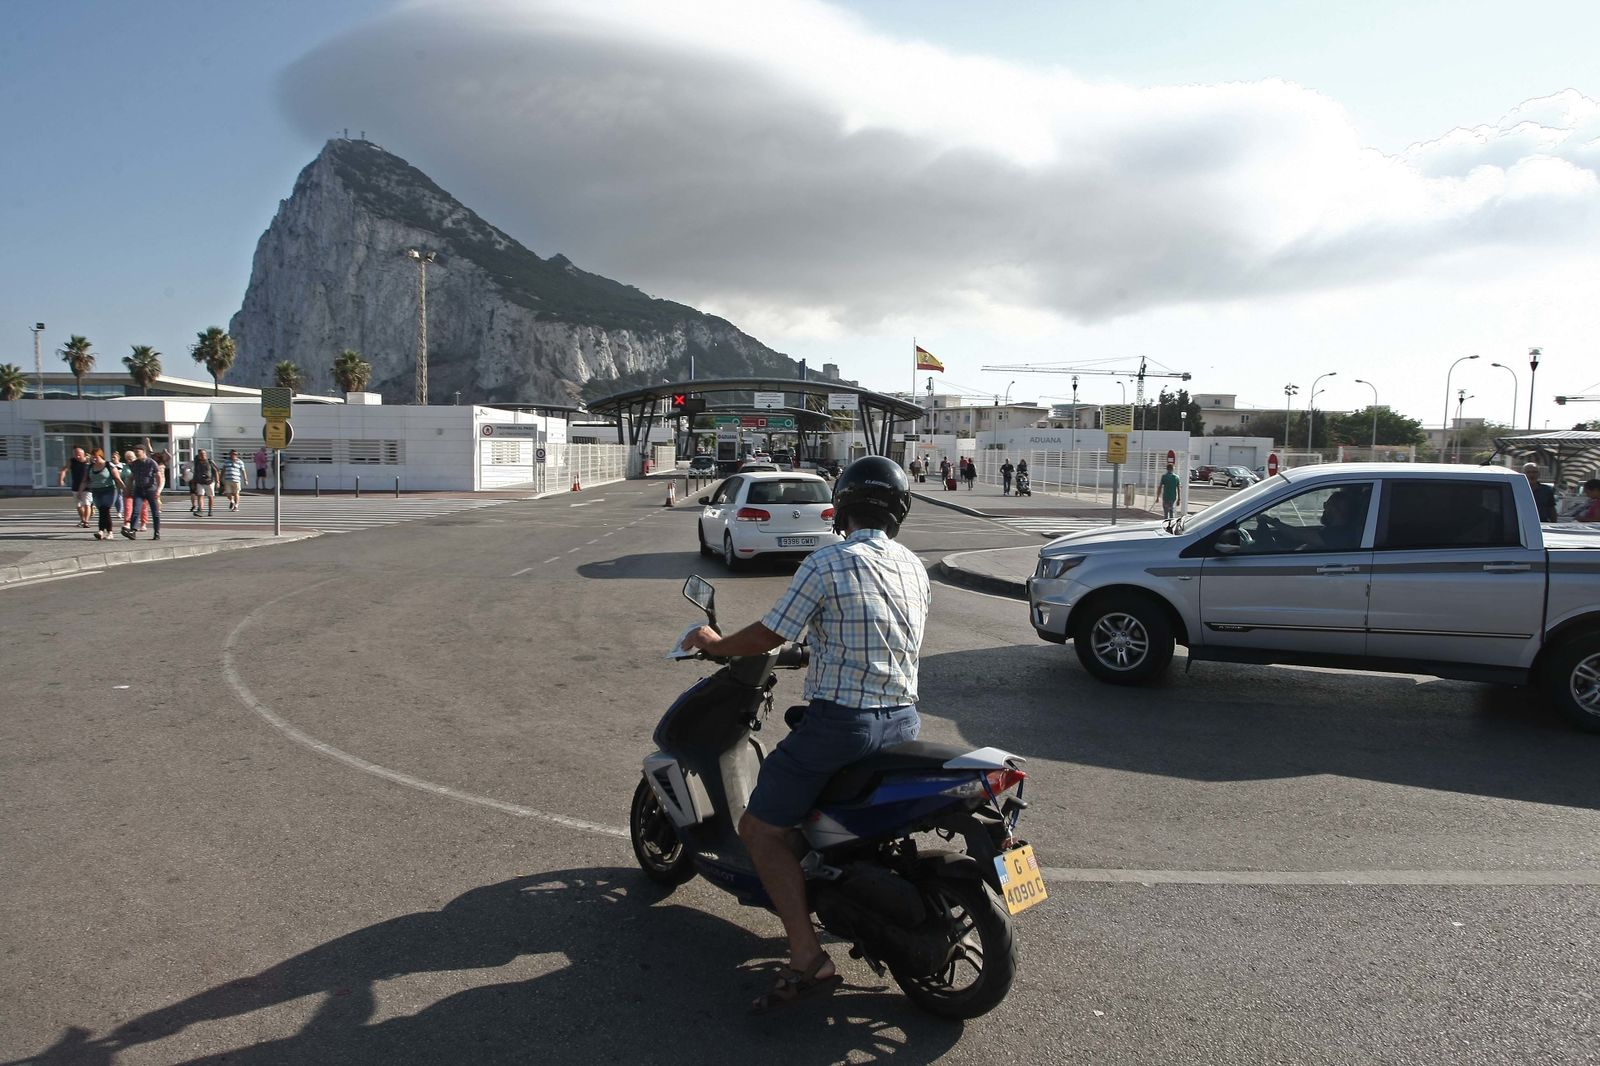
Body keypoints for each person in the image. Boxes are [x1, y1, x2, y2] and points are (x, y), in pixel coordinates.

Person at [679, 456, 930, 1013]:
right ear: (900, 511)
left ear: (842, 507)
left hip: (845, 726)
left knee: (760, 830)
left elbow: (771, 631)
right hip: (904, 723)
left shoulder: (826, 561)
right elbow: (883, 636)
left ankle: (807, 959)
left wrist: (716, 644)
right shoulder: (914, 566)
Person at [122, 447, 163, 540]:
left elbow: (159, 477)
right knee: (136, 510)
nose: (136, 454)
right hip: (138, 489)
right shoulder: (134, 464)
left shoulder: (151, 462)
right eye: (135, 452)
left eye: (138, 452)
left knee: (155, 512)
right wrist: (127, 489)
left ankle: (156, 532)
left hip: (150, 489)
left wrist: (159, 490)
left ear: (143, 452)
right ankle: (133, 531)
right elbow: (131, 477)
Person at [83, 453, 125, 539]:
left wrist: (125, 489)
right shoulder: (91, 467)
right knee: (102, 511)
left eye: (96, 457)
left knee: (104, 510)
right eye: (93, 458)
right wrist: (80, 490)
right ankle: (104, 532)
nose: (94, 459)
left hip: (109, 490)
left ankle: (105, 532)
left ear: (101, 456)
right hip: (96, 491)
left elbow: (117, 478)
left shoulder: (109, 465)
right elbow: (85, 480)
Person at [58, 446, 93, 529]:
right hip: (76, 485)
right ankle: (82, 519)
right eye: (75, 455)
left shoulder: (88, 462)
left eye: (79, 455)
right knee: (78, 505)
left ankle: (86, 522)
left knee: (87, 503)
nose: (77, 457)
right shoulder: (72, 461)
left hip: (87, 486)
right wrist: (61, 479)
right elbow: (64, 470)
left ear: (83, 454)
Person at [191, 448, 217, 516]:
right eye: (200, 454)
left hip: (209, 482)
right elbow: (195, 473)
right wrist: (194, 482)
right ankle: (200, 510)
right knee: (200, 495)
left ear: (206, 454)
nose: (202, 455)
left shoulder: (210, 462)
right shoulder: (197, 463)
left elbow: (216, 472)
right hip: (200, 482)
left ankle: (210, 510)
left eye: (203, 454)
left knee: (210, 496)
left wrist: (218, 482)